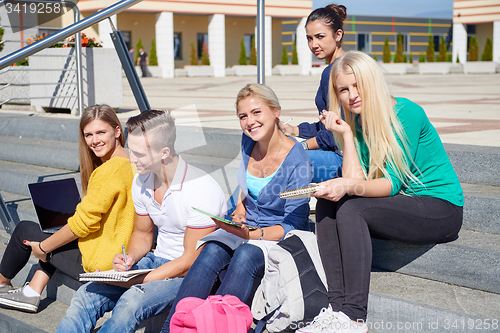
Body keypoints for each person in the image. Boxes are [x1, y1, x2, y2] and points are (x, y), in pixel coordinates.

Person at [297, 51, 464, 333]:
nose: (352, 95)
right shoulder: (357, 120)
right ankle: (336, 309)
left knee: (351, 207)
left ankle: (353, 317)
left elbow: (390, 184)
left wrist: (346, 186)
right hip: (404, 203)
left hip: (441, 208)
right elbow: (356, 179)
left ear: (372, 80)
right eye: (344, 90)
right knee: (327, 204)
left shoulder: (405, 113)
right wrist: (347, 135)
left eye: (358, 85)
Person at [160, 83, 313, 333]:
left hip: (278, 236)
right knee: (210, 250)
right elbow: (246, 184)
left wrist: (253, 235)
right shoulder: (248, 141)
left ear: (275, 112)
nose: (249, 122)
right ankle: (173, 329)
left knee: (244, 256)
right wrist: (240, 210)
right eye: (243, 116)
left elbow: (293, 225)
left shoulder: (298, 159)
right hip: (248, 226)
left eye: (256, 112)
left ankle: (217, 327)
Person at [56, 110, 226, 333]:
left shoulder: (201, 188)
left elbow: (190, 261)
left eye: (139, 154)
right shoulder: (142, 181)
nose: (131, 159)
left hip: (193, 274)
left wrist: (141, 279)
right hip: (156, 261)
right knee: (86, 295)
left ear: (164, 152)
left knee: (132, 302)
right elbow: (142, 235)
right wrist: (130, 258)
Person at [0, 105, 135, 313]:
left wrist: (43, 249)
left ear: (117, 131)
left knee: (25, 230)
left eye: (101, 132)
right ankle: (33, 291)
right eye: (88, 134)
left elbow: (82, 225)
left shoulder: (108, 170)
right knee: (56, 230)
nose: (94, 140)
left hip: (99, 264)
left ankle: (1, 284)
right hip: (116, 253)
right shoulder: (132, 163)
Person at [280, 4, 346, 183]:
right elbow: (328, 125)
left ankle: (235, 210)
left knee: (277, 159)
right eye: (309, 38)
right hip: (337, 151)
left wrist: (303, 145)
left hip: (347, 158)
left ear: (338, 35)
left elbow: (339, 132)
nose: (313, 44)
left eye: (320, 37)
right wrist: (295, 130)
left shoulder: (341, 71)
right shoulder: (335, 68)